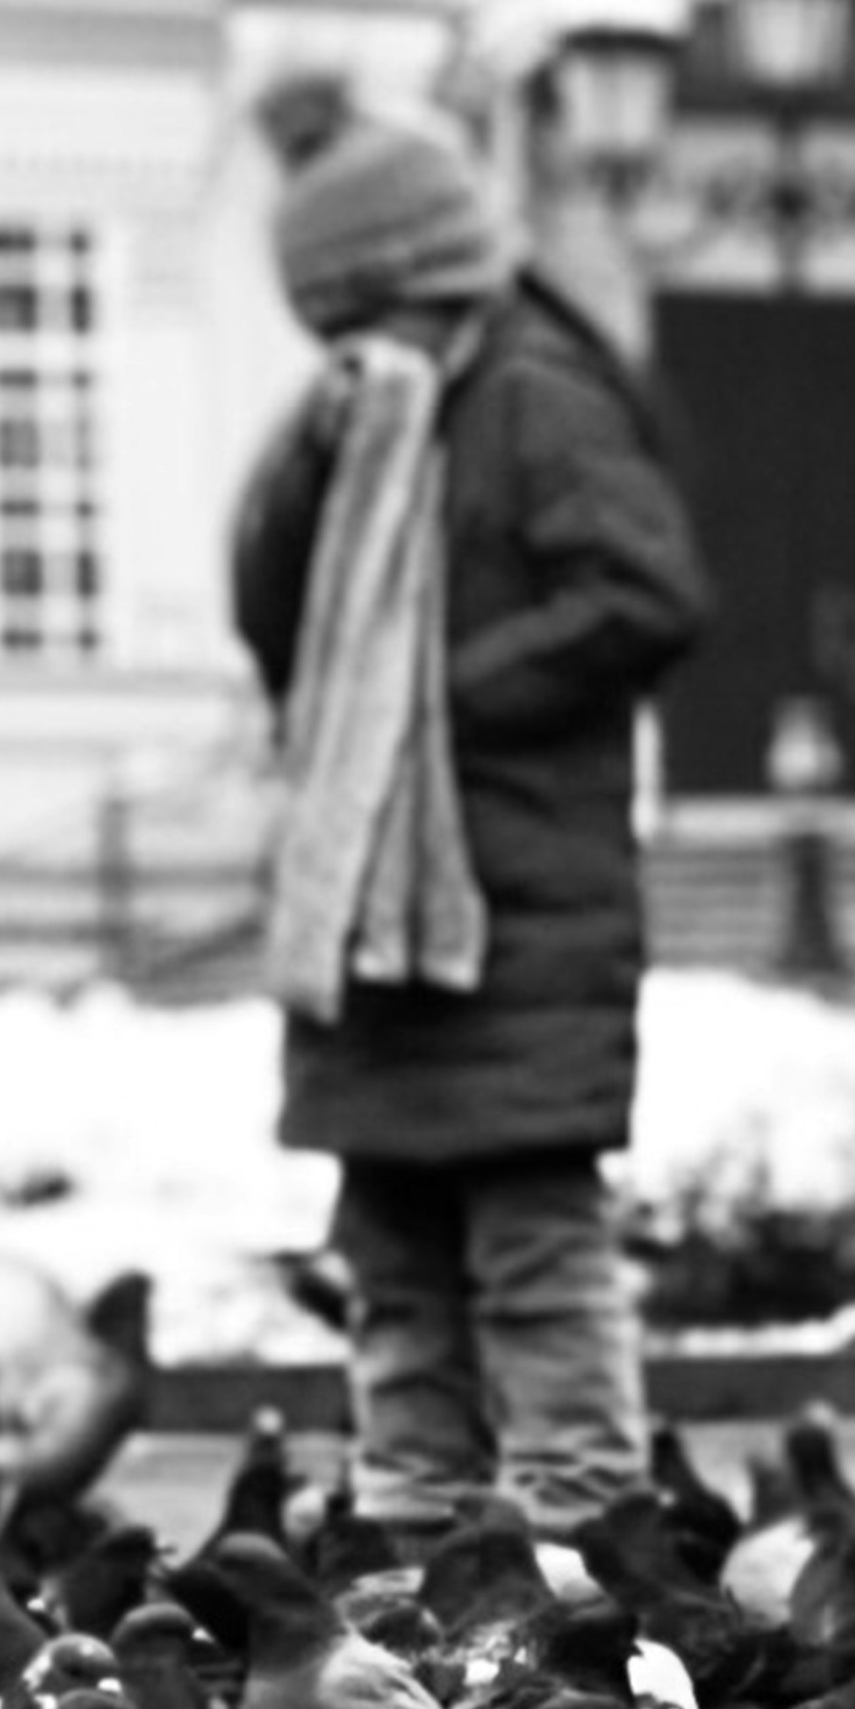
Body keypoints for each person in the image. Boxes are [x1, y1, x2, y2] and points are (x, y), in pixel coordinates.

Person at [228, 79, 712, 1543]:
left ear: (428, 281)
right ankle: (414, 1523)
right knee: (391, 1247)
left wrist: (436, 698)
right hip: (370, 909)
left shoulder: (533, 399)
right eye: (327, 334)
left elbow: (643, 594)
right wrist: (306, 460)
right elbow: (278, 623)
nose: (346, 354)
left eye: (359, 321)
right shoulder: (369, 418)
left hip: (516, 902)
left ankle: (580, 1528)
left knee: (530, 1242)